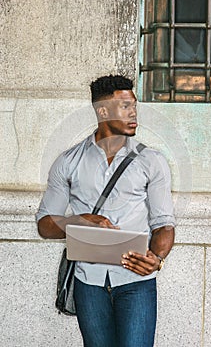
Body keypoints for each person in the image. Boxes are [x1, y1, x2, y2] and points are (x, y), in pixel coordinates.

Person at [36, 74, 175, 347]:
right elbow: (44, 224)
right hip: (88, 281)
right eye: (124, 107)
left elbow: (164, 224)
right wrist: (79, 220)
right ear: (102, 110)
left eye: (134, 106)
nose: (133, 113)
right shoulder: (68, 162)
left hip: (136, 281)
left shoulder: (152, 161)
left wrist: (157, 258)